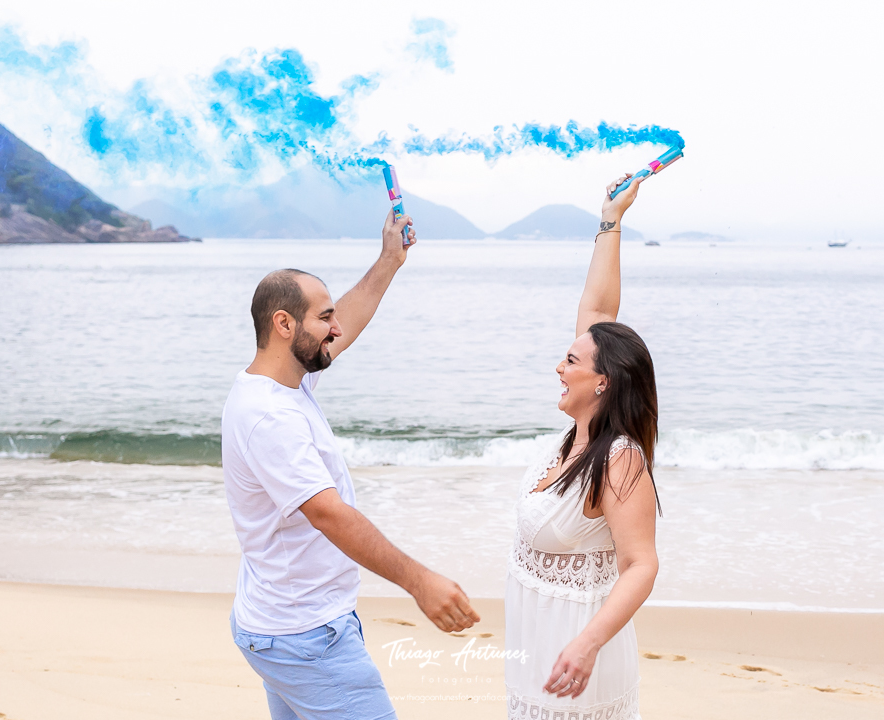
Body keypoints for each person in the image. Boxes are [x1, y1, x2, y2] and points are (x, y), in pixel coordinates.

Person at [222, 210, 480, 720]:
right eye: (323, 318)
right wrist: (419, 581)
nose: (336, 329)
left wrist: (389, 262)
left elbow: (348, 326)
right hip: (304, 637)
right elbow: (329, 515)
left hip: (281, 624)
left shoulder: (286, 383)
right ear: (283, 324)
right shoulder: (270, 415)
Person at [505, 173, 661, 720]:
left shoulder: (620, 458)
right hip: (537, 656)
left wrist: (587, 644)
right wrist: (611, 219)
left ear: (603, 383)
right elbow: (597, 309)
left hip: (579, 663)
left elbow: (641, 564)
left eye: (570, 361)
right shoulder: (573, 441)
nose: (558, 366)